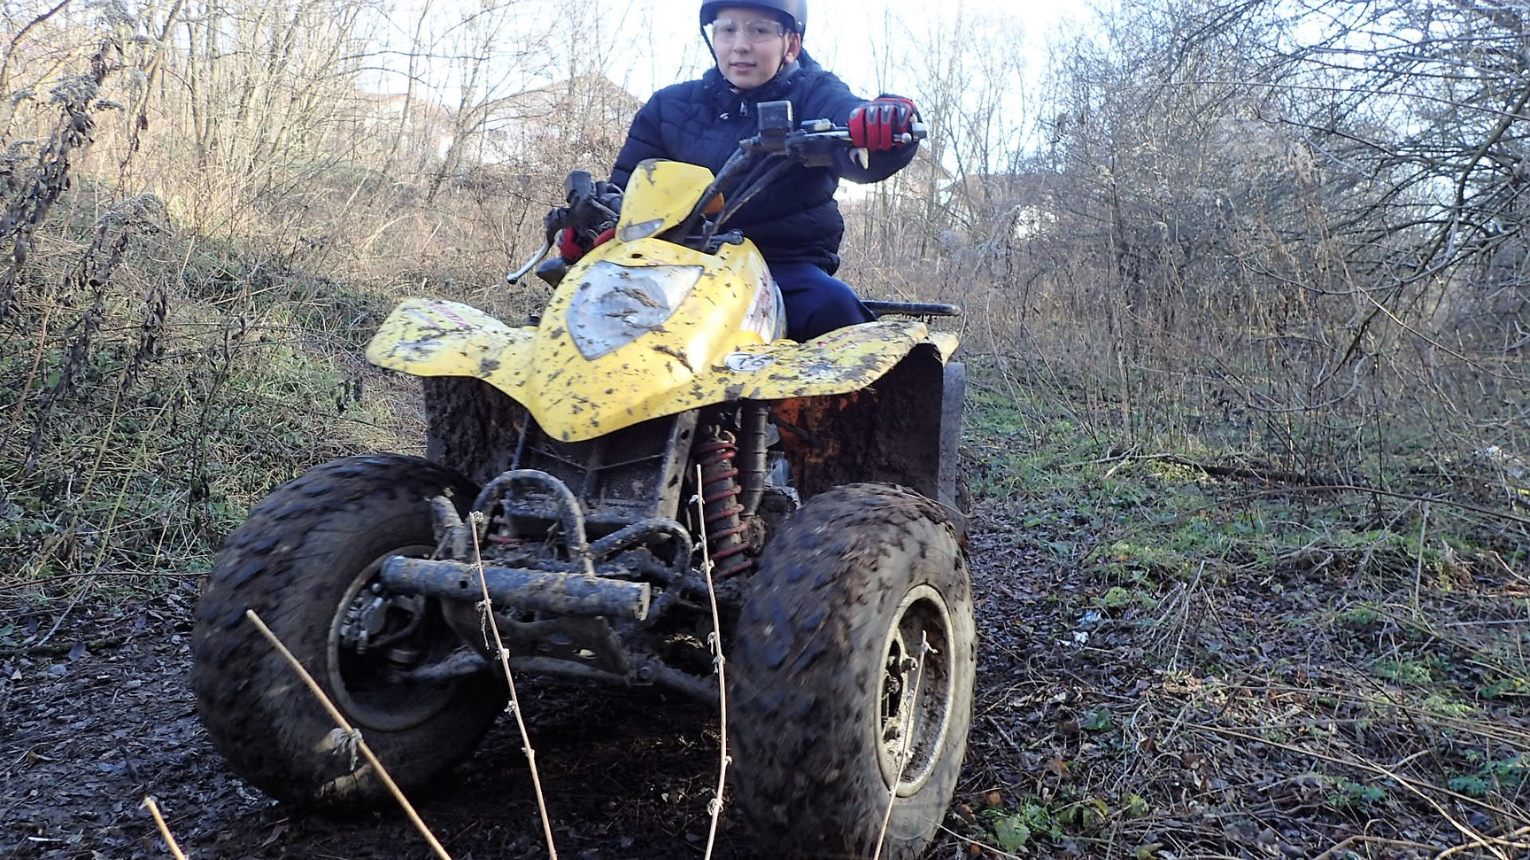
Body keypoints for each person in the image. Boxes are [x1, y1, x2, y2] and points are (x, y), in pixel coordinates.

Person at [605, 0, 921, 342]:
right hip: (672, 270)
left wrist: (882, 122)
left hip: (781, 270)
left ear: (791, 44)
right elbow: (626, 192)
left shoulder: (815, 94)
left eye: (758, 30)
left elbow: (853, 127)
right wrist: (595, 228)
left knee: (835, 309)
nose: (740, 44)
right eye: (727, 30)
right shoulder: (669, 107)